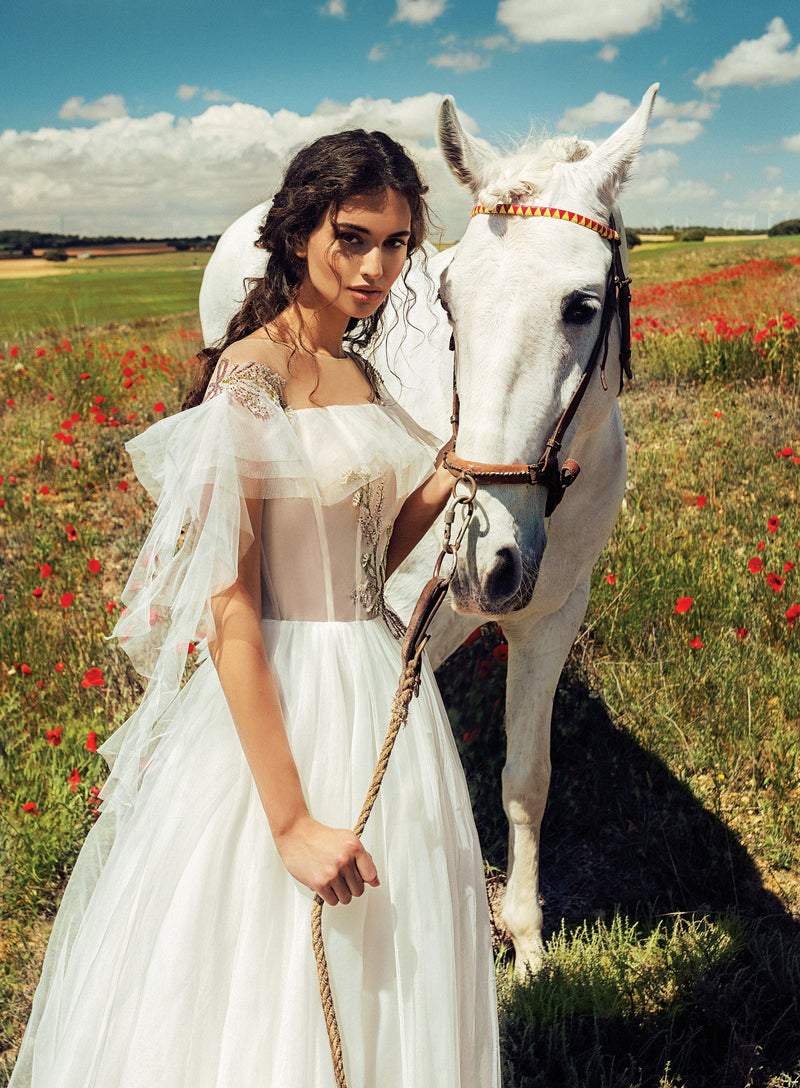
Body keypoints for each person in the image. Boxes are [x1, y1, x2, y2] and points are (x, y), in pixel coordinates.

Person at [10, 129, 500, 1087]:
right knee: (270, 960)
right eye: (352, 237)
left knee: (393, 942)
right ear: (298, 230)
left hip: (376, 673)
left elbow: (365, 558)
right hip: (286, 691)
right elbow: (232, 607)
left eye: (397, 244)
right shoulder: (253, 373)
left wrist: (453, 473)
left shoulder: (357, 370)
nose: (375, 267)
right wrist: (289, 823)